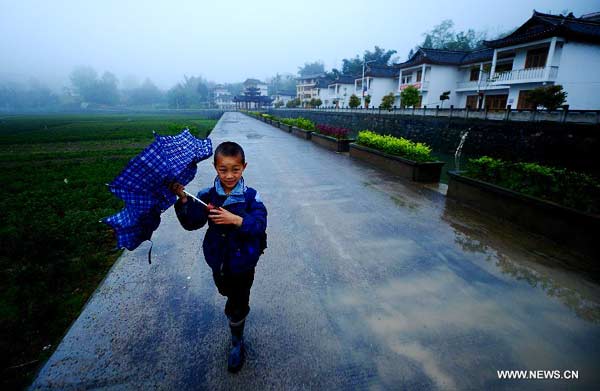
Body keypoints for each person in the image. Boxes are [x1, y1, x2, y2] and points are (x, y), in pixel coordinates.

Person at [170, 141, 267, 373]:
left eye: (235, 169)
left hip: (244, 261)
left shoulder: (252, 197)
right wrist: (184, 201)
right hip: (218, 259)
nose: (230, 175)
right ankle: (232, 303)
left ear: (244, 167)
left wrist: (237, 220)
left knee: (238, 299)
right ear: (215, 167)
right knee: (225, 289)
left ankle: (236, 340)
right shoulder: (206, 196)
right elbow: (192, 223)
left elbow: (260, 224)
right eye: (223, 169)